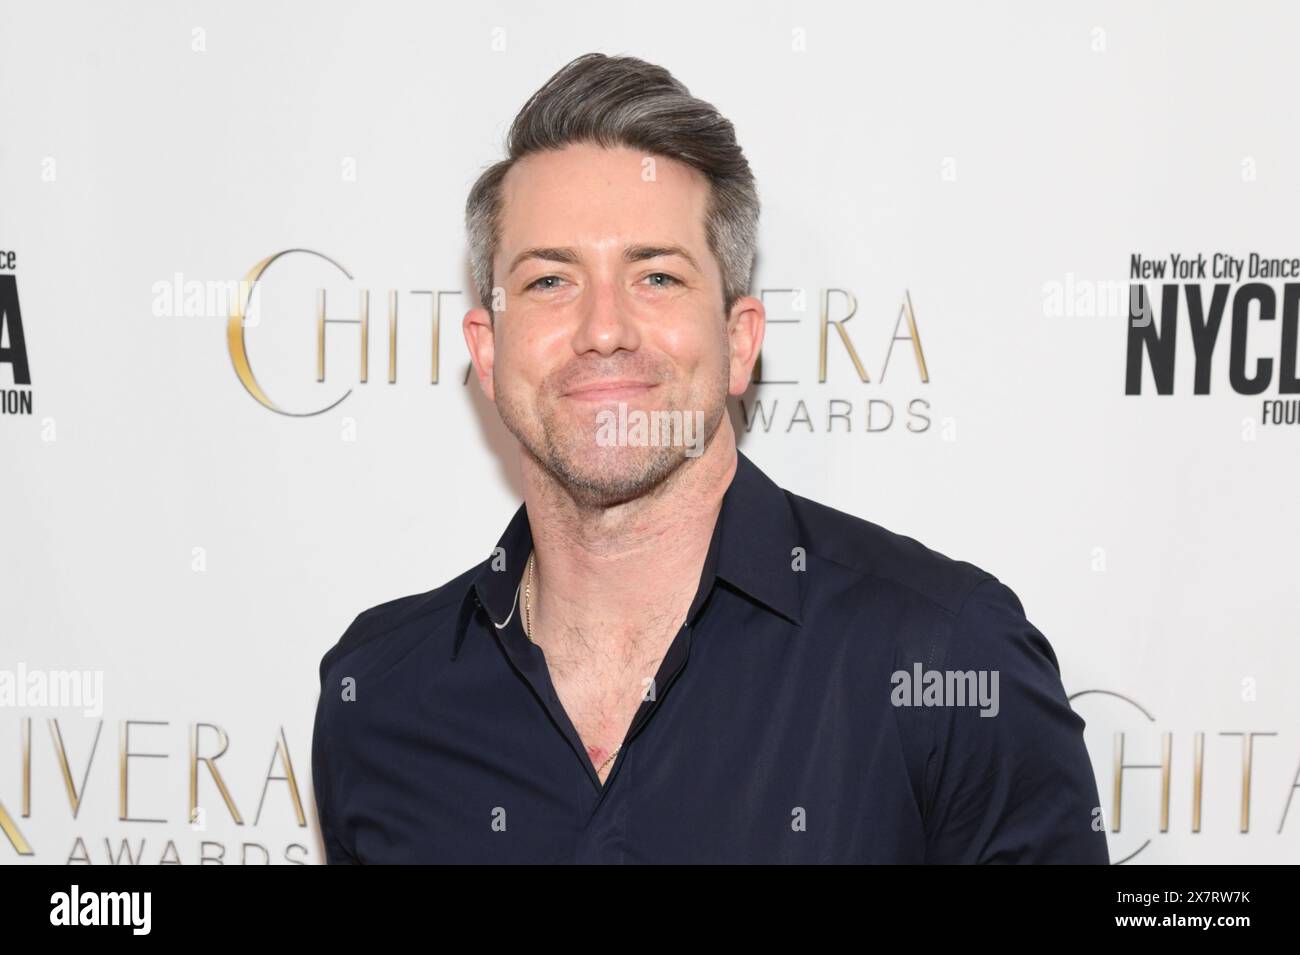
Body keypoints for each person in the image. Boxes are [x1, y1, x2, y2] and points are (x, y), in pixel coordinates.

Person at [311, 52, 1109, 864]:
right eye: (551, 281)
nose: (604, 328)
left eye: (656, 276)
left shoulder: (944, 659)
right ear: (487, 351)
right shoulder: (378, 694)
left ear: (739, 342)